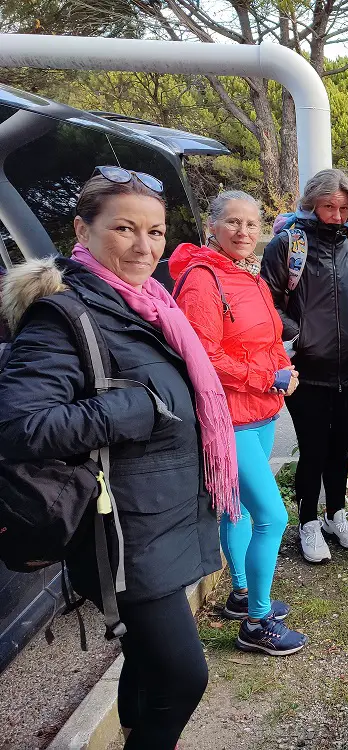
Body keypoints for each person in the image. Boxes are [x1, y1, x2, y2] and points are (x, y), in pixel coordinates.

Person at [0, 168, 228, 748]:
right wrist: (131, 411)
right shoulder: (64, 316)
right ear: (83, 229)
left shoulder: (150, 305)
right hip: (123, 534)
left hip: (160, 517)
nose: (144, 246)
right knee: (183, 678)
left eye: (155, 231)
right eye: (124, 228)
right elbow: (19, 426)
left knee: (148, 667)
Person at [170, 190, 308, 656]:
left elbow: (269, 337)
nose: (244, 232)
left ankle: (243, 592)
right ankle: (256, 623)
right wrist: (263, 376)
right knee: (273, 515)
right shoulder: (202, 281)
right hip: (229, 417)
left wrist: (283, 376)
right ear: (211, 226)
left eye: (252, 224)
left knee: (243, 509)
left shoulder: (247, 275)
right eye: (233, 222)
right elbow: (203, 356)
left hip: (261, 409)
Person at [261, 169, 348, 564]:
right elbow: (271, 304)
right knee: (313, 448)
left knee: (340, 446)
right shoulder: (287, 246)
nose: (336, 214)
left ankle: (335, 515)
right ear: (312, 202)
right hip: (307, 371)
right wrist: (302, 336)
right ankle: (308, 521)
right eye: (329, 206)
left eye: (344, 207)